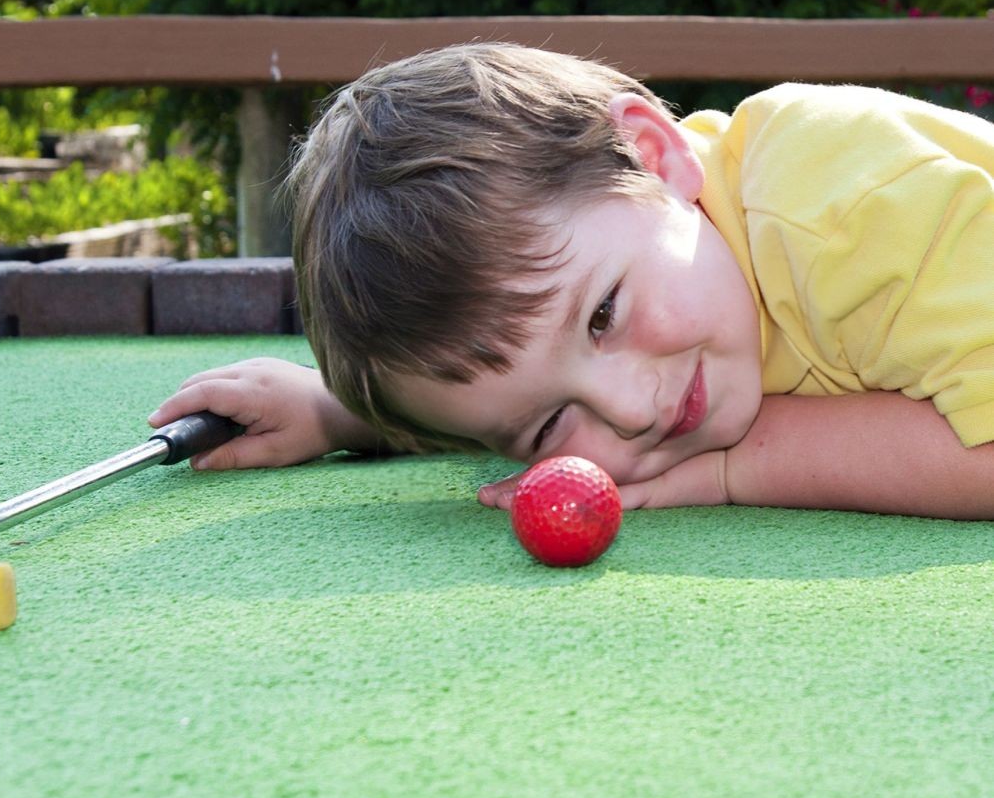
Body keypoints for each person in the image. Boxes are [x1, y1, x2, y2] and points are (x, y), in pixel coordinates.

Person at [149, 42, 994, 519]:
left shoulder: (849, 202)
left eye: (602, 316)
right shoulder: (628, 247)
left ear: (655, 157)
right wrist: (343, 416)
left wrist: (741, 471)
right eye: (550, 425)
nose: (632, 409)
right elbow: (505, 392)